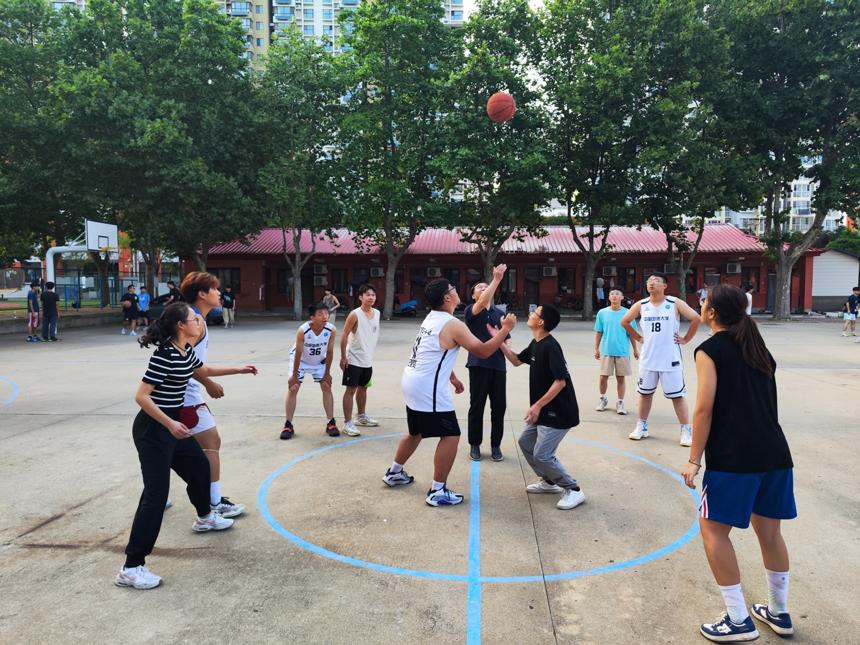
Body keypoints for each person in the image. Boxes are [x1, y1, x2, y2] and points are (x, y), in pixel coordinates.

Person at [681, 284, 796, 642]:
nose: (700, 305)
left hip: (734, 458)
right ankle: (779, 611)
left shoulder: (709, 350)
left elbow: (703, 409)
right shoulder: (757, 347)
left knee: (713, 531)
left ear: (712, 313)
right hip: (775, 454)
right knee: (771, 534)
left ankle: (737, 619)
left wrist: (693, 459)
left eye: (703, 302)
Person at [116, 302, 257, 590]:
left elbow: (204, 369)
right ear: (181, 325)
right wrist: (170, 423)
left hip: (172, 427)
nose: (198, 321)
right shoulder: (165, 355)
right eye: (194, 319)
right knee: (155, 496)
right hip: (154, 431)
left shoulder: (185, 351)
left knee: (199, 467)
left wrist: (239, 369)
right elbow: (141, 396)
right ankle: (131, 567)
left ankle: (205, 517)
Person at [381, 278, 516, 507]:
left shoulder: (431, 317)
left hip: (413, 380)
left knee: (415, 432)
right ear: (446, 297)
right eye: (453, 288)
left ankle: (394, 472)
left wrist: (452, 377)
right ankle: (437, 491)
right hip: (428, 387)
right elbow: (483, 351)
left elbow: (433, 351)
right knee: (451, 435)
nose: (456, 290)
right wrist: (505, 330)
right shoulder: (452, 324)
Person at [495, 304, 584, 510]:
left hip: (559, 412)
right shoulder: (536, 343)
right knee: (526, 442)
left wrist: (537, 405)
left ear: (541, 322)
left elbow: (560, 382)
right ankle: (549, 481)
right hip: (544, 411)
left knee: (542, 455)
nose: (530, 314)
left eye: (534, 313)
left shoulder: (550, 346)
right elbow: (516, 360)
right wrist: (499, 338)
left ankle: (573, 489)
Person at [180, 272, 247, 518]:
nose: (220, 293)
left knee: (171, 450)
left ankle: (156, 493)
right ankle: (214, 502)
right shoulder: (195, 321)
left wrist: (234, 370)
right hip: (185, 396)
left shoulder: (192, 318)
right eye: (215, 289)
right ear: (202, 294)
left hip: (181, 394)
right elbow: (183, 359)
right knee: (211, 444)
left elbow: (192, 360)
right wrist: (208, 383)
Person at [621, 273, 702, 446]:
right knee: (645, 394)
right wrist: (638, 337)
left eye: (656, 281)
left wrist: (686, 339)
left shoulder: (674, 303)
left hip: (670, 359)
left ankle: (686, 429)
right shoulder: (642, 305)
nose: (652, 283)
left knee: (677, 396)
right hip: (648, 359)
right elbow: (625, 321)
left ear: (665, 286)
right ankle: (642, 426)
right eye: (649, 281)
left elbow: (696, 318)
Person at [465, 264, 509, 462]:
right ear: (473, 296)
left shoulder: (500, 314)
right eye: (479, 288)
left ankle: (496, 445)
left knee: (499, 408)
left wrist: (503, 339)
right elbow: (483, 302)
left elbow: (506, 340)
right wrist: (496, 279)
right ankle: (474, 445)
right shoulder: (472, 311)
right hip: (478, 364)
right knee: (477, 406)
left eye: (486, 286)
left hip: (498, 366)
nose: (483, 289)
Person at [281, 303, 339, 440]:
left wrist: (327, 374)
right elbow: (298, 353)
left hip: (318, 361)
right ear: (312, 318)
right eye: (320, 314)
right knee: (293, 388)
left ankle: (331, 422)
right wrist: (294, 375)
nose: (325, 317)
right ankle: (288, 425)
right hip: (300, 361)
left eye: (326, 313)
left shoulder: (331, 329)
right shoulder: (303, 330)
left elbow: (330, 352)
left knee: (326, 386)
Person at [339, 284, 381, 437]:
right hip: (353, 358)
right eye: (367, 294)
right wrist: (343, 357)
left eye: (373, 295)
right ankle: (347, 423)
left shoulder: (377, 313)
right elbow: (344, 336)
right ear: (360, 297)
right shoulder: (355, 314)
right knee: (351, 390)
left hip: (367, 358)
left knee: (364, 387)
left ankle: (361, 416)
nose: (371, 297)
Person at [594, 289, 639, 415]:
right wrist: (596, 348)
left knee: (621, 378)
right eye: (612, 294)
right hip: (606, 350)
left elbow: (631, 333)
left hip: (622, 351)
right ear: (609, 297)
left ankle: (620, 402)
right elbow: (599, 332)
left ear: (622, 297)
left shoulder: (628, 313)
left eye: (617, 294)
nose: (614, 296)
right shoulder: (602, 313)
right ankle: (602, 398)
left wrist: (635, 350)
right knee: (603, 377)